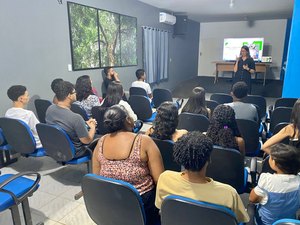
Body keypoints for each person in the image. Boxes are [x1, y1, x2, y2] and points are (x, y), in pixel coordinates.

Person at [155, 131, 250, 223]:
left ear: (180, 157)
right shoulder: (229, 193)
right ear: (209, 159)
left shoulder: (165, 178)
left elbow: (161, 208)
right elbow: (239, 220)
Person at [92, 105, 164, 225]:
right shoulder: (143, 141)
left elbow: (96, 177)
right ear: (128, 120)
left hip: (111, 203)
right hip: (142, 206)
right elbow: (159, 180)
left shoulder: (101, 142)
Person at [249, 143, 300, 225]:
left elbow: (252, 199)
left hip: (264, 222)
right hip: (288, 222)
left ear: (275, 163)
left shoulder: (267, 180)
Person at [46, 81, 97, 158]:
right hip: (75, 152)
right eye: (74, 92)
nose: (76, 93)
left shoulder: (50, 109)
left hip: (58, 149)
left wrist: (84, 123)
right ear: (69, 95)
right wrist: (93, 126)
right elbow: (87, 140)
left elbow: (65, 124)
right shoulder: (76, 118)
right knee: (101, 139)